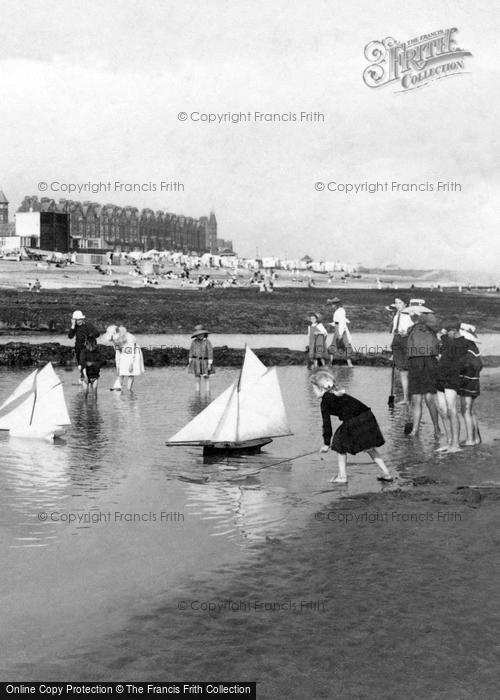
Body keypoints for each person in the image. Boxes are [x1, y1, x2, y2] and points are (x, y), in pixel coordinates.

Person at [311, 369, 393, 484]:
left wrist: (326, 443)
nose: (313, 391)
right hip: (367, 416)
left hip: (354, 420)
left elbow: (327, 424)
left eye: (313, 389)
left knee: (339, 444)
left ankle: (342, 477)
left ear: (321, 388)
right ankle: (386, 473)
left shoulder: (325, 401)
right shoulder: (337, 393)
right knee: (369, 447)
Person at [404, 301, 441, 437]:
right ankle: (415, 429)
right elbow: (408, 334)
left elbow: (436, 325)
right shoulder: (412, 328)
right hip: (415, 362)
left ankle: (437, 429)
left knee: (429, 398)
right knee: (416, 398)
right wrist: (415, 320)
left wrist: (422, 317)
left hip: (429, 361)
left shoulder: (431, 325)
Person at [435, 321, 467, 452]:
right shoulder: (448, 340)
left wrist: (442, 337)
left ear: (454, 331)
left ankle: (455, 444)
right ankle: (449, 441)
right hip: (440, 377)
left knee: (451, 410)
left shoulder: (461, 342)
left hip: (451, 379)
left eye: (447, 332)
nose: (445, 334)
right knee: (442, 410)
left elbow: (454, 352)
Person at [458, 323, 483, 446]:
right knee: (471, 411)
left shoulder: (467, 351)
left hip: (467, 383)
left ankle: (470, 439)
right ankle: (476, 438)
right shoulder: (474, 349)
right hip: (474, 382)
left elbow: (464, 366)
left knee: (465, 410)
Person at [386, 297, 413, 404]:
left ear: (405, 304)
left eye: (400, 303)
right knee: (402, 371)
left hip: (406, 341)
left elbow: (415, 328)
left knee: (409, 370)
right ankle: (406, 398)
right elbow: (393, 331)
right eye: (396, 303)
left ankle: (411, 398)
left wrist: (407, 332)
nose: (397, 305)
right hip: (397, 341)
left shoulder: (410, 314)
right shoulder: (396, 314)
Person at [105, 325, 144, 391]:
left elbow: (132, 352)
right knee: (120, 371)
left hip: (134, 352)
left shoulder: (129, 337)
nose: (113, 341)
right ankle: (117, 387)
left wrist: (131, 364)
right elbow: (117, 354)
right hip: (124, 351)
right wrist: (118, 366)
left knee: (131, 372)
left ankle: (129, 390)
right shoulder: (114, 340)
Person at [68, 310, 100, 383]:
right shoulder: (75, 326)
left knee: (88, 364)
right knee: (80, 365)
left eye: (79, 320)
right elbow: (70, 336)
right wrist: (72, 326)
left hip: (88, 348)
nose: (78, 322)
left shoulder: (88, 325)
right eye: (76, 320)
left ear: (82, 319)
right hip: (78, 348)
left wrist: (91, 335)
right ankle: (82, 377)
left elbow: (97, 334)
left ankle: (89, 377)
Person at [327, 298, 353, 367]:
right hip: (339, 329)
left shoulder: (339, 311)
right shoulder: (340, 311)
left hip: (340, 330)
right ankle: (331, 362)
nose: (332, 306)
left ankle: (349, 363)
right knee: (341, 345)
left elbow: (341, 322)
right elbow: (338, 321)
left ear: (336, 304)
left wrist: (340, 333)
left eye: (332, 304)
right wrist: (332, 324)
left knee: (344, 345)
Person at [188, 325, 214, 392]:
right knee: (197, 377)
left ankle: (208, 391)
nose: (200, 335)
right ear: (196, 335)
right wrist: (190, 361)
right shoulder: (194, 342)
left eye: (201, 334)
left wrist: (209, 364)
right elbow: (191, 351)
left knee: (206, 377)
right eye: (198, 334)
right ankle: (197, 392)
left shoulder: (207, 342)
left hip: (205, 361)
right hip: (196, 361)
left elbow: (210, 352)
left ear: (204, 334)